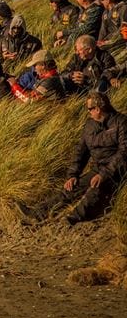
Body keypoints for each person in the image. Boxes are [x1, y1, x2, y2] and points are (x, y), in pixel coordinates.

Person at [20, 93, 125, 225]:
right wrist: (73, 174)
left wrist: (104, 174)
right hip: (97, 168)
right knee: (71, 189)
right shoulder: (90, 125)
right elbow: (81, 151)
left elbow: (123, 153)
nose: (88, 112)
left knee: (95, 190)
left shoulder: (121, 123)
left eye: (89, 109)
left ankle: (72, 218)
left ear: (97, 109)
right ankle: (37, 213)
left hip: (116, 171)